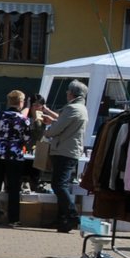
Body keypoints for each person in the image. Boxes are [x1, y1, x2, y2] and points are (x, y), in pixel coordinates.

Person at [41, 80, 89, 233]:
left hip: (64, 151)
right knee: (63, 185)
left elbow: (56, 130)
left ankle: (72, 215)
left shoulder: (72, 108)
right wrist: (54, 121)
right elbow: (66, 124)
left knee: (59, 185)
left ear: (72, 93)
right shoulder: (81, 108)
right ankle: (63, 220)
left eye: (68, 91)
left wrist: (47, 129)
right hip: (70, 150)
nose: (66, 93)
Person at [0, 89, 32, 226]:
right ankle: (13, 219)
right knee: (14, 188)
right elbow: (27, 139)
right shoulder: (24, 120)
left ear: (8, 101)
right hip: (15, 156)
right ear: (21, 102)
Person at [26, 94, 57, 193]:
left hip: (39, 151)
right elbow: (36, 130)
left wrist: (47, 110)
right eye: (35, 105)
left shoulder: (44, 118)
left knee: (36, 175)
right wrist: (35, 117)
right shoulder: (25, 117)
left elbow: (61, 120)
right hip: (26, 150)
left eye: (40, 105)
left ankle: (35, 186)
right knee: (25, 174)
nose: (37, 107)